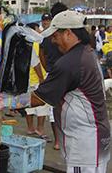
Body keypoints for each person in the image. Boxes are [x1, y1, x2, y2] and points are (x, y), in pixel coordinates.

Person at [31, 10, 110, 173]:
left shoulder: (70, 63)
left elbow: (38, 98)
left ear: (68, 33)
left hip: (85, 142)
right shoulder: (87, 52)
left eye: (55, 36)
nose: (53, 41)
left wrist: (5, 102)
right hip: (93, 136)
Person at [39, 4, 68, 151]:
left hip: (56, 74)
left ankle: (59, 141)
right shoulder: (61, 33)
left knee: (55, 109)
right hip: (59, 74)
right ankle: (59, 140)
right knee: (56, 109)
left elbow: (41, 55)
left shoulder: (48, 35)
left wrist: (48, 70)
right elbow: (41, 55)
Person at [24, 23, 49, 141]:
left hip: (26, 79)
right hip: (36, 79)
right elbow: (36, 63)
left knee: (28, 105)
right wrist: (42, 78)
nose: (40, 30)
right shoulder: (36, 43)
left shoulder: (24, 42)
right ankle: (40, 128)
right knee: (42, 105)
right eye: (38, 28)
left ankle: (30, 128)